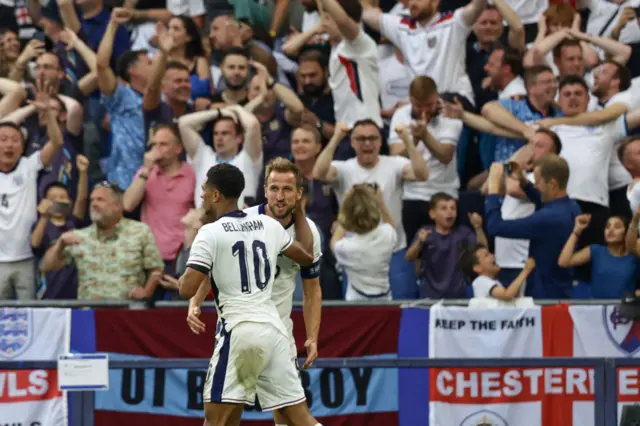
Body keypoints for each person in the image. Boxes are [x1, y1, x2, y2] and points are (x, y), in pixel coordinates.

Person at [177, 163, 323, 426]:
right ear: (264, 190)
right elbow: (307, 256)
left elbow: (187, 287)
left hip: (239, 331)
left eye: (204, 190)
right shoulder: (268, 225)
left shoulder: (209, 233)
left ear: (216, 195)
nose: (201, 196)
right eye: (274, 188)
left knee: (216, 421)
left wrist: (187, 272)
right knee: (300, 420)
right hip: (273, 330)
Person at [484, 156, 581, 299]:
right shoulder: (572, 207)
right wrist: (524, 182)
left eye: (538, 182)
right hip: (561, 289)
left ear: (552, 184)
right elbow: (542, 200)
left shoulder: (548, 217)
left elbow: (495, 227)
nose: (535, 185)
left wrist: (493, 190)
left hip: (545, 297)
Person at [331, 184, 396, 300]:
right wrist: (380, 201)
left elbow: (333, 243)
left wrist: (345, 204)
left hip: (355, 303)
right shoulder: (387, 234)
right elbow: (391, 225)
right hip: (384, 301)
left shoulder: (346, 247)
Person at [558, 213, 639, 299]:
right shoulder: (596, 250)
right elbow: (563, 262)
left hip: (624, 309)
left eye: (617, 227)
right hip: (597, 309)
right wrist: (577, 231)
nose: (611, 230)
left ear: (626, 233)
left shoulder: (634, 256)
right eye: (607, 227)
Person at [459, 244, 535, 301]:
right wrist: (526, 271)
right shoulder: (481, 281)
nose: (493, 255)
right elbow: (507, 295)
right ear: (477, 268)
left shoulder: (494, 281)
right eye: (486, 255)